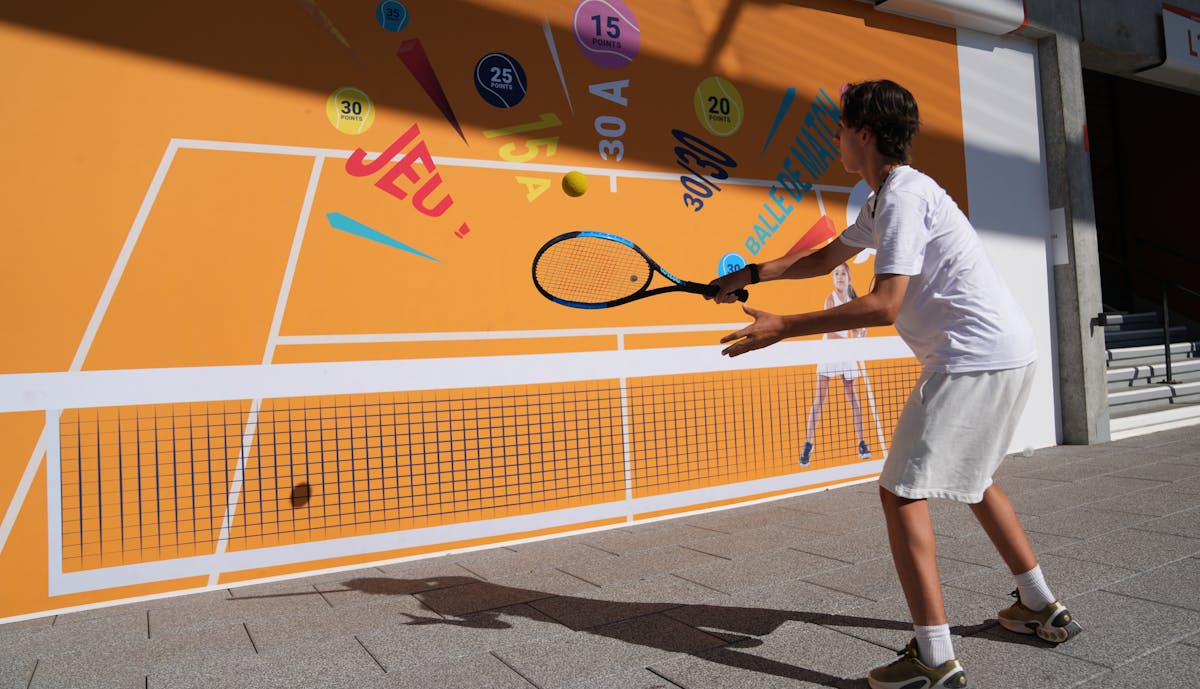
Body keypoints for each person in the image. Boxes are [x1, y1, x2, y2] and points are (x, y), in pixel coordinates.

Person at [708, 80, 1081, 689]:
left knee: (900, 493)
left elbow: (885, 304)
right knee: (975, 481)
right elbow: (826, 258)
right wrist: (750, 274)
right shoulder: (884, 198)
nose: (835, 138)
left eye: (840, 129)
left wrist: (785, 326)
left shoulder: (904, 196)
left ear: (864, 134)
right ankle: (1040, 604)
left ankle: (933, 659)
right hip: (1005, 354)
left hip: (969, 360)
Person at [802, 262, 871, 465]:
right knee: (820, 399)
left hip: (845, 352)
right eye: (836, 274)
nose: (840, 277)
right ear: (833, 279)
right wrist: (852, 339)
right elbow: (831, 333)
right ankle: (808, 444)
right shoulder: (830, 299)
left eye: (843, 274)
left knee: (852, 397)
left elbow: (857, 331)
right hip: (829, 352)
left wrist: (860, 333)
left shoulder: (853, 301)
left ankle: (862, 442)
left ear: (849, 278)